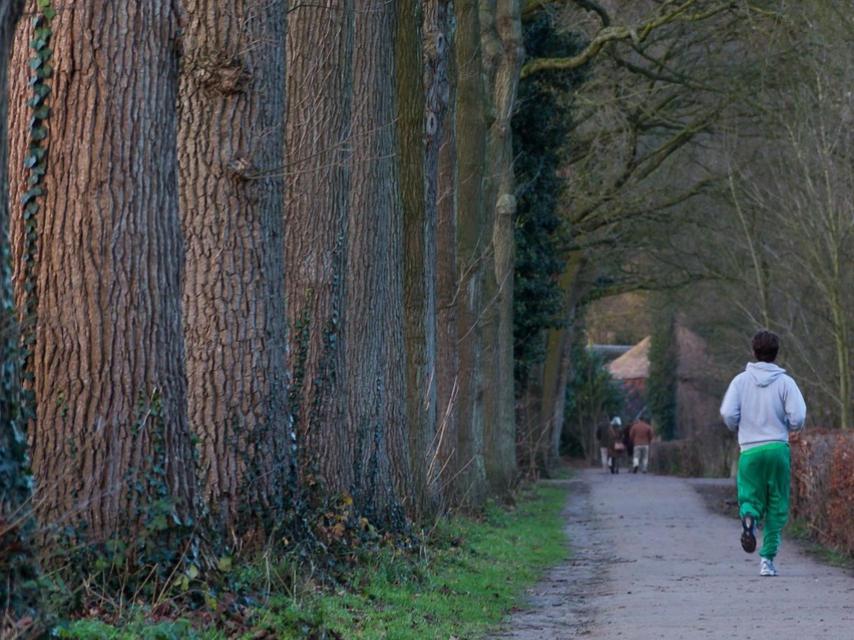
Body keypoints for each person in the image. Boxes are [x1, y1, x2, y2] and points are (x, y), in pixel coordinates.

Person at [720, 330, 806, 577]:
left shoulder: (740, 381)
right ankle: (767, 560)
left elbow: (727, 413)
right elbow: (798, 415)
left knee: (750, 496)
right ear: (776, 353)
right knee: (777, 503)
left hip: (750, 450)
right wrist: (791, 427)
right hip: (778, 448)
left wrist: (737, 425)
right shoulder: (785, 382)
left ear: (754, 352)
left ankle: (749, 518)